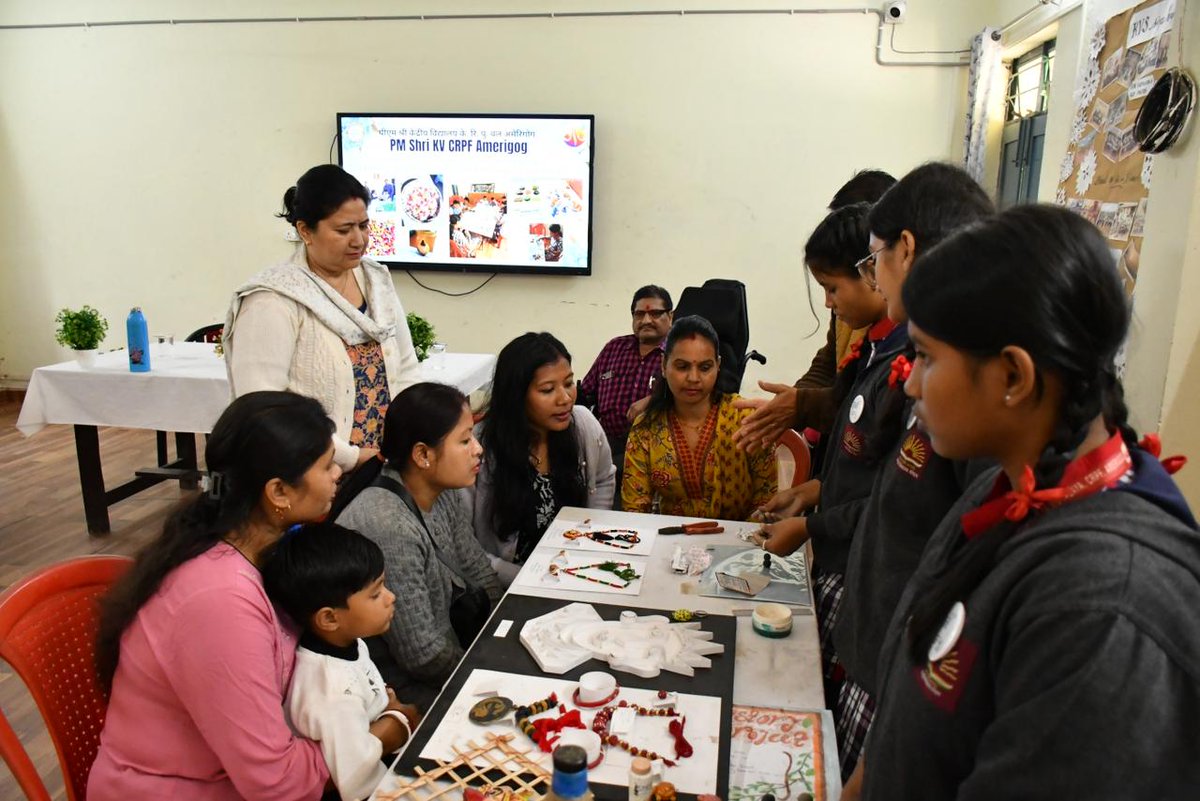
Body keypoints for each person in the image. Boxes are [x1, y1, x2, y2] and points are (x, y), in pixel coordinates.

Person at [851, 205, 1200, 800]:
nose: (910, 383)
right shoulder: (1005, 492)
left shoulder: (1101, 608)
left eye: (929, 358)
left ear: (1013, 376)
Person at [819, 163, 994, 779]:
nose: (913, 381)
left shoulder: (973, 387)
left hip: (912, 671)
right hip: (884, 652)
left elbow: (953, 569)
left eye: (872, 261)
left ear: (907, 249)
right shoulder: (934, 360)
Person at [89, 391, 342, 800]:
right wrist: (364, 739)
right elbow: (275, 785)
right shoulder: (219, 599)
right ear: (278, 491)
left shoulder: (257, 546)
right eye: (327, 465)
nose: (337, 474)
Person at [749, 203, 894, 777]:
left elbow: (890, 497)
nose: (829, 305)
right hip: (841, 555)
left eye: (833, 289)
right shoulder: (873, 346)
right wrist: (811, 491)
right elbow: (858, 463)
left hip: (866, 577)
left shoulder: (902, 360)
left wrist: (811, 523)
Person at [224, 164, 420, 472]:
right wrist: (350, 457)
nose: (359, 240)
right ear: (305, 231)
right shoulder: (274, 300)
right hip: (312, 472)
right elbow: (264, 409)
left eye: (364, 226)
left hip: (385, 464)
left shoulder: (376, 280)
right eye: (344, 230)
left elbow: (406, 366)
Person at [337, 382, 502, 710]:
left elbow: (479, 573)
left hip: (448, 661)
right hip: (396, 690)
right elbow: (422, 654)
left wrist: (499, 640)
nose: (478, 449)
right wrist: (487, 680)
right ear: (423, 455)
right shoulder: (387, 525)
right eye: (465, 440)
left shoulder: (442, 491)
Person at [733, 169, 896, 453]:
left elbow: (864, 410)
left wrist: (799, 406)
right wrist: (789, 404)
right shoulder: (857, 314)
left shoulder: (902, 340)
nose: (827, 302)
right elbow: (829, 365)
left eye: (831, 288)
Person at [261, 523, 420, 801]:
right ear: (330, 618)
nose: (390, 597)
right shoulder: (331, 692)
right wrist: (398, 719)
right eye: (375, 594)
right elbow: (357, 777)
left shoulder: (347, 640)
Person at [473, 332, 616, 585]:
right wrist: (525, 579)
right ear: (516, 395)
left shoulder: (582, 424)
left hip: (576, 572)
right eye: (548, 390)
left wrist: (590, 536)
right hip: (506, 583)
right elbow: (465, 544)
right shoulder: (481, 448)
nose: (564, 399)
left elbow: (604, 478)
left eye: (569, 383)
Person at [622, 315, 777, 519]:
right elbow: (634, 511)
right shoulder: (647, 427)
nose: (693, 378)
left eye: (705, 368)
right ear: (663, 366)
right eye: (682, 366)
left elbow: (766, 500)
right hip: (669, 542)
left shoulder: (745, 418)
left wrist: (741, 540)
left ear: (718, 365)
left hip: (742, 542)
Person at [578, 285, 673, 500]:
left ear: (671, 316)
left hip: (656, 448)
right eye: (639, 314)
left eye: (655, 313)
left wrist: (655, 399)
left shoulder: (677, 353)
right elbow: (585, 393)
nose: (646, 320)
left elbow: (693, 394)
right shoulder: (615, 348)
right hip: (607, 445)